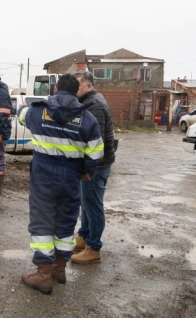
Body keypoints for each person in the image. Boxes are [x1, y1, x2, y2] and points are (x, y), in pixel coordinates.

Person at [18, 73, 104, 294]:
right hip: (71, 177)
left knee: (42, 224)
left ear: (55, 89)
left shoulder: (37, 111)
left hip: (43, 177)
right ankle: (59, 269)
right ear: (77, 92)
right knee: (65, 224)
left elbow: (20, 115)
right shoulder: (87, 119)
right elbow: (96, 154)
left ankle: (43, 276)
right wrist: (86, 172)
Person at [70, 70, 116, 265]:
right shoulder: (88, 102)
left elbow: (94, 144)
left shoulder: (94, 106)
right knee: (86, 203)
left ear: (88, 86)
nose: (74, 90)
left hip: (96, 166)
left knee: (93, 206)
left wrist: (88, 169)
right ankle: (84, 236)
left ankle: (94, 248)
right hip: (91, 165)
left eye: (77, 86)